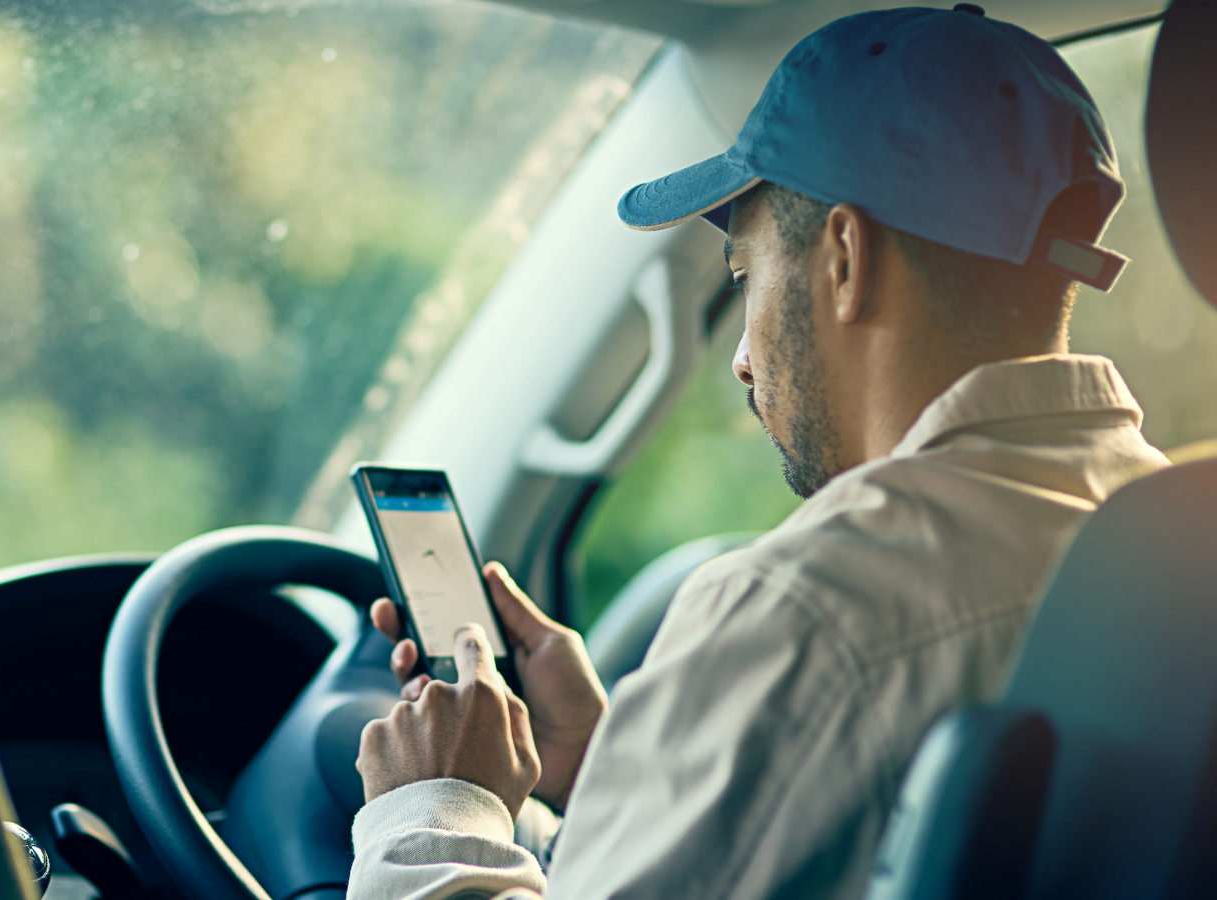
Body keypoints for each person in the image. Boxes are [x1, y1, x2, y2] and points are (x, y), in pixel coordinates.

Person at [347, 6, 1170, 900]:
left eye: (745, 279)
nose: (741, 356)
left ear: (846, 257)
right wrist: (603, 766)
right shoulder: (1168, 544)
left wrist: (434, 813)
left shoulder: (809, 610)